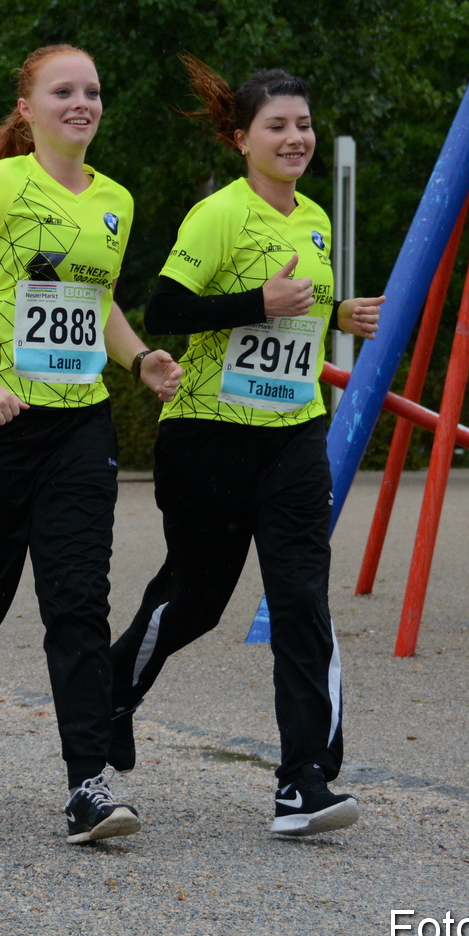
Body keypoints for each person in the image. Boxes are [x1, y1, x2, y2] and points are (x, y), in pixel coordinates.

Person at [0, 44, 183, 845]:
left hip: (79, 424)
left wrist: (138, 355)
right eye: (63, 90)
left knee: (78, 600)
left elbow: (98, 300)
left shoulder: (114, 199)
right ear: (27, 107)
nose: (82, 102)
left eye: (92, 89)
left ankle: (88, 782)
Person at [105, 56, 383, 838]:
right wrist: (257, 302)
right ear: (241, 139)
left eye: (303, 124)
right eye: (278, 126)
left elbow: (301, 309)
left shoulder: (317, 220)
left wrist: (341, 317)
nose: (295, 136)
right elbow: (164, 308)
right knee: (194, 600)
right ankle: (110, 694)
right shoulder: (218, 216)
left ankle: (304, 783)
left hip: (295, 436)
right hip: (208, 439)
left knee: (300, 598)